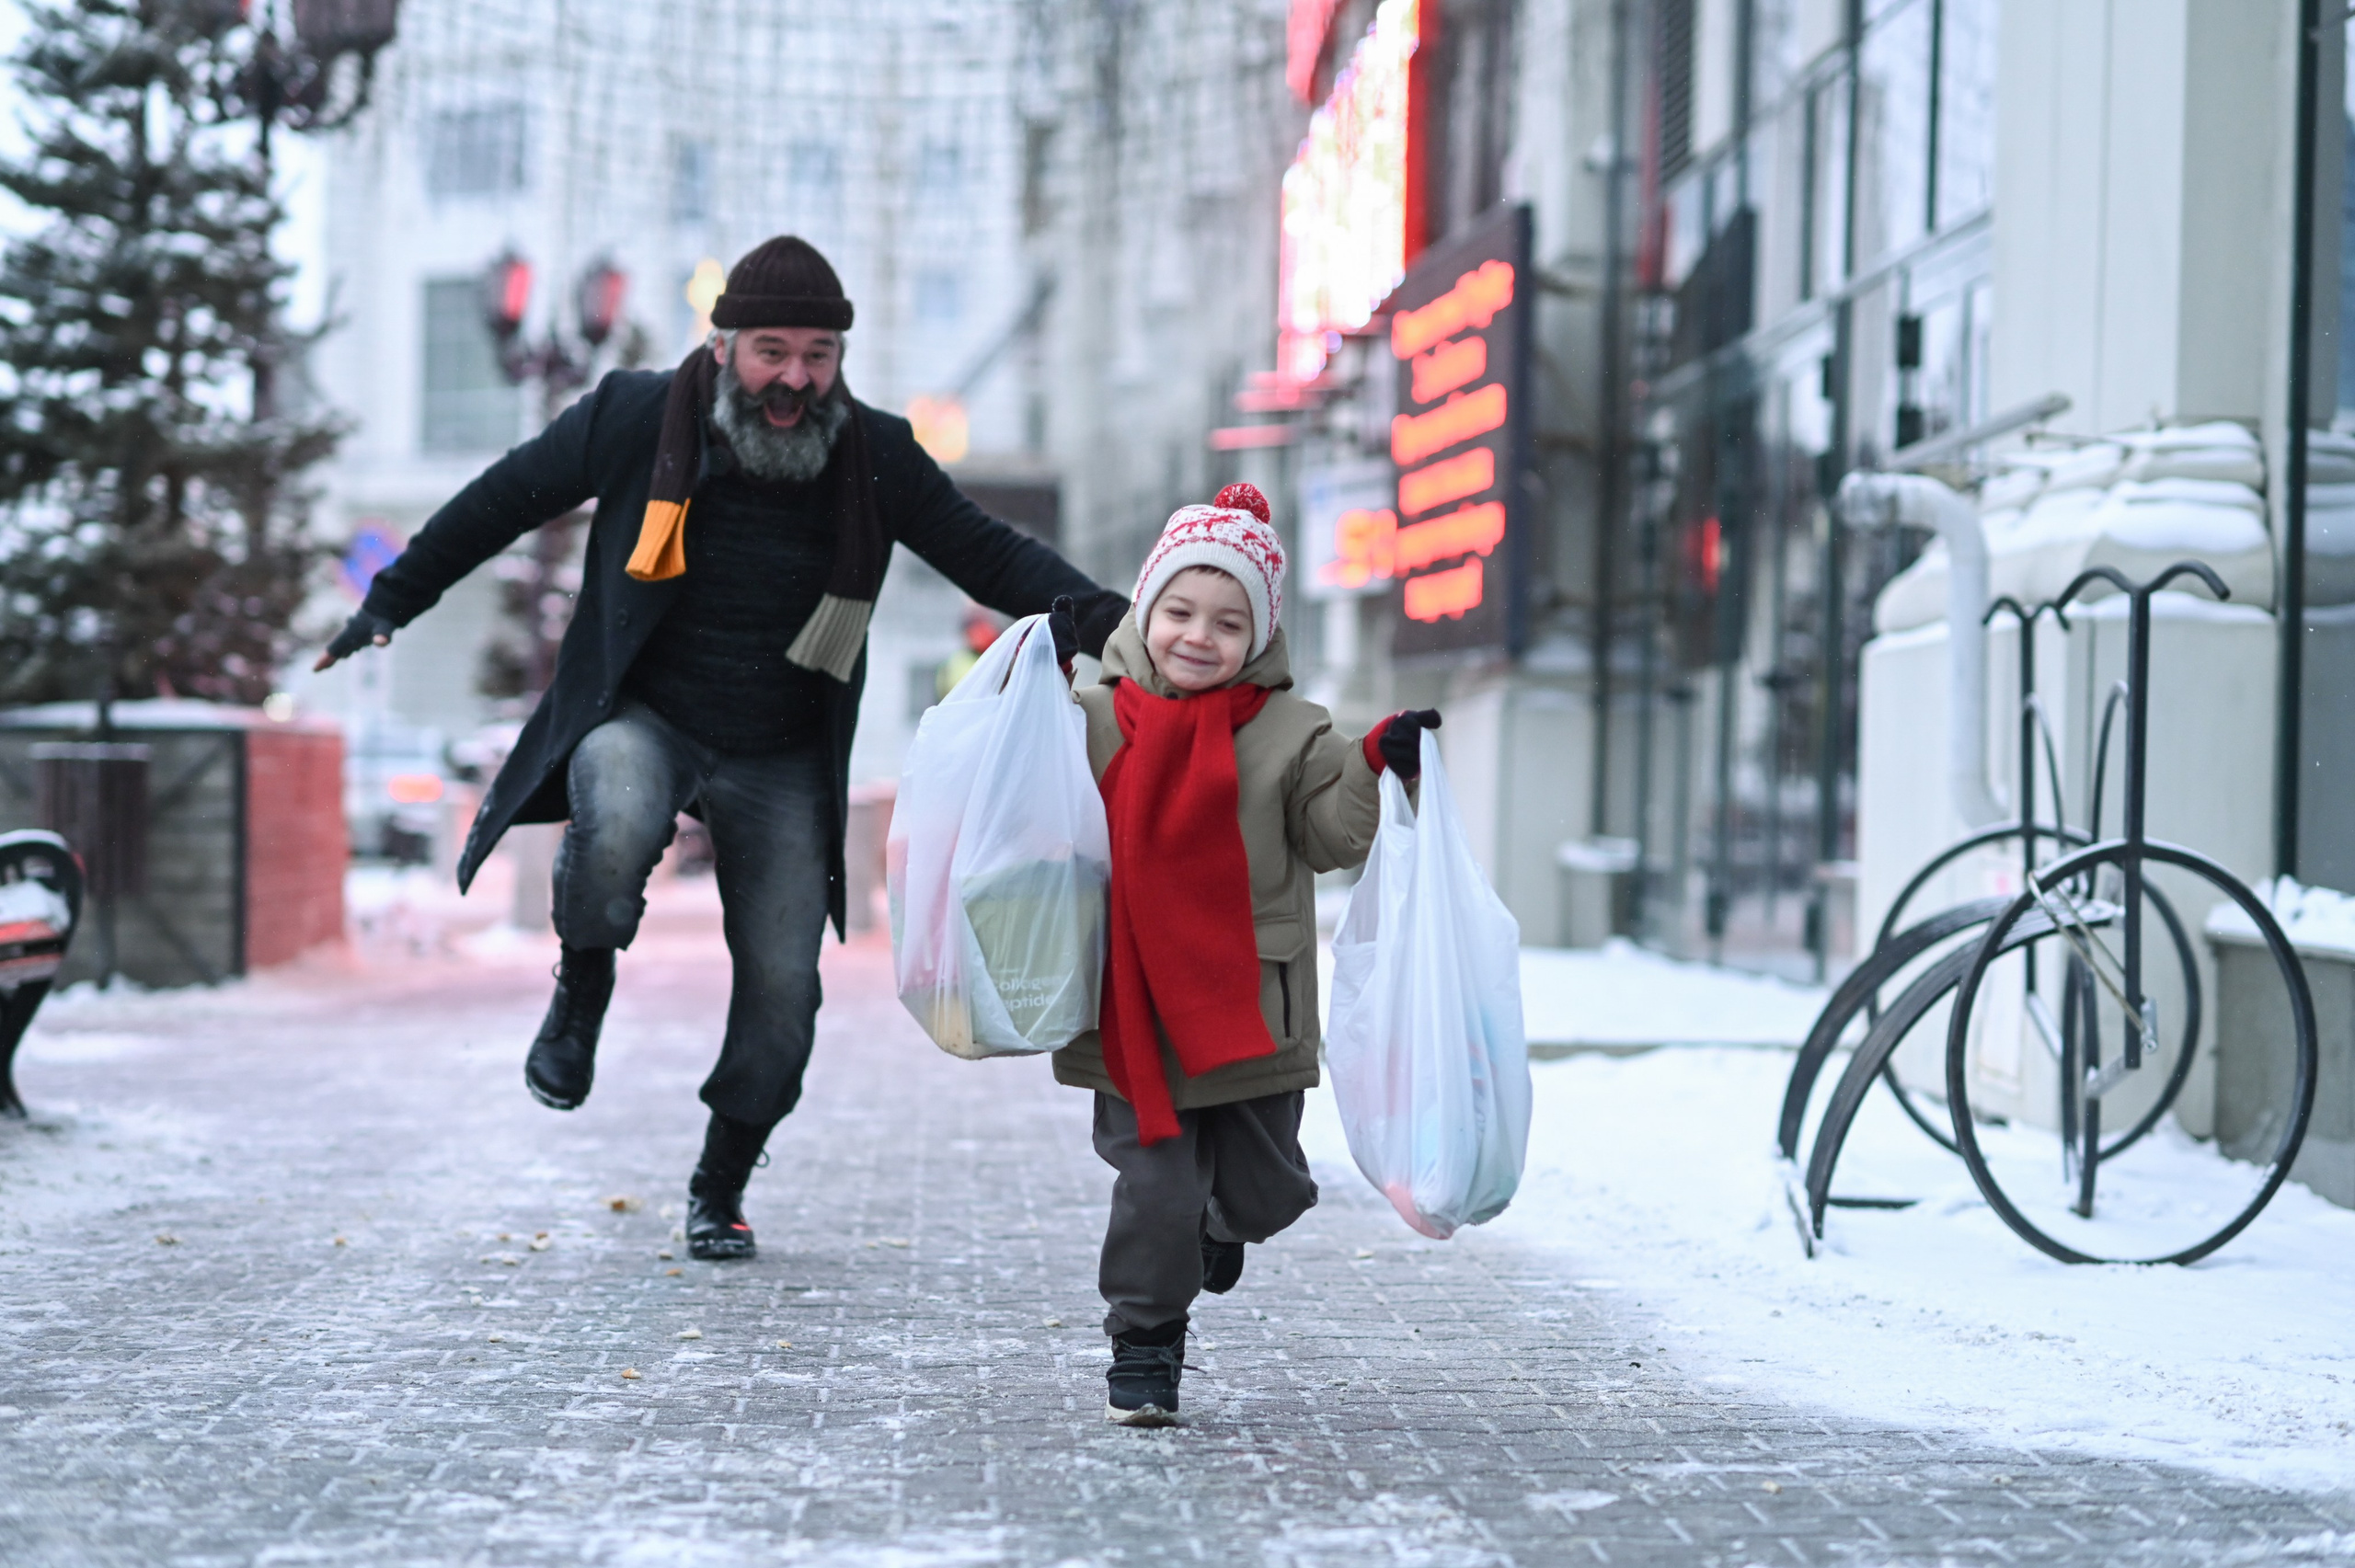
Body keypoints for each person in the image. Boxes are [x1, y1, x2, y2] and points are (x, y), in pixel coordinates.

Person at [316, 236, 1128, 1261]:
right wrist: (391, 599)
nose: (794, 379)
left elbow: (990, 552)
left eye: (818, 356)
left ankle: (721, 1182)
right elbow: (501, 499)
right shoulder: (635, 416)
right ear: (725, 346)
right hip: (648, 714)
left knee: (785, 996)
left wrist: (1129, 627)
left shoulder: (873, 453)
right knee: (613, 809)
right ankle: (582, 986)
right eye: (771, 352)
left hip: (781, 747)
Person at [1048, 483, 1441, 1426]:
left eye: (1229, 622)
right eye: (1179, 611)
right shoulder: (1088, 715)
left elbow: (1331, 837)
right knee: (1156, 1189)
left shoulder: (1294, 731)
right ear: (1145, 610)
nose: (1198, 635)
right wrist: (1034, 680)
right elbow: (1026, 792)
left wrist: (1375, 763)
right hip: (1133, 1007)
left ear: (1260, 635)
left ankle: (1217, 1225)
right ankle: (1146, 1341)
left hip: (1250, 1003)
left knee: (1268, 1195)